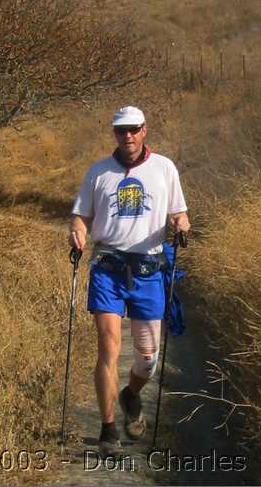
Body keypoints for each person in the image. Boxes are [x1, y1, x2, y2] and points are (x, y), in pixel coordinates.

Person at [68, 105, 190, 457]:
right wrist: (76, 233)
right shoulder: (98, 172)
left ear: (144, 130)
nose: (128, 136)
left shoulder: (164, 168)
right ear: (114, 134)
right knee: (109, 347)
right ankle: (108, 430)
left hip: (149, 268)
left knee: (148, 359)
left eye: (134, 129)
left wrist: (181, 227)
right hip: (107, 266)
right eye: (122, 130)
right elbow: (80, 216)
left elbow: (180, 213)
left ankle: (131, 394)